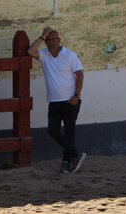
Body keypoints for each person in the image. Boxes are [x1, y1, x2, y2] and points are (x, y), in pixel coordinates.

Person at [28, 26, 85, 174]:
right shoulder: (44, 55)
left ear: (59, 40)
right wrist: (42, 36)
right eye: (48, 40)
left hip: (70, 101)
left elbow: (80, 75)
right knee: (52, 130)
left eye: (54, 39)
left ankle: (66, 164)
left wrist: (76, 96)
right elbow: (30, 51)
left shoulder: (69, 55)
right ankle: (75, 155)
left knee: (69, 133)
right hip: (54, 101)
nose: (51, 42)